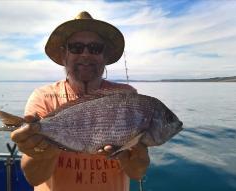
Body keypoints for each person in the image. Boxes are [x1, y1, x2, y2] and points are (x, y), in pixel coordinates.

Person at [10, 11, 150, 191]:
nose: (85, 54)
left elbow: (137, 174)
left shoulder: (126, 96)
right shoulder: (44, 97)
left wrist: (133, 158)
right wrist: (48, 145)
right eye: (76, 47)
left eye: (95, 48)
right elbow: (34, 178)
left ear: (105, 56)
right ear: (64, 55)